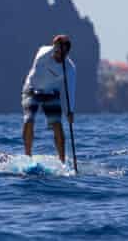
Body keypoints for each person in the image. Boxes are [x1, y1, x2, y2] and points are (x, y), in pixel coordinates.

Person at [21, 34, 76, 162]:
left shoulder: (70, 68)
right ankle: (27, 157)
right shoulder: (43, 53)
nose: (58, 56)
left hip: (51, 93)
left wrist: (70, 111)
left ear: (67, 53)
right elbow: (53, 48)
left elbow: (70, 90)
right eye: (57, 51)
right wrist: (57, 44)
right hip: (31, 90)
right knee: (29, 119)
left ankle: (62, 162)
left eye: (62, 54)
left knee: (57, 124)